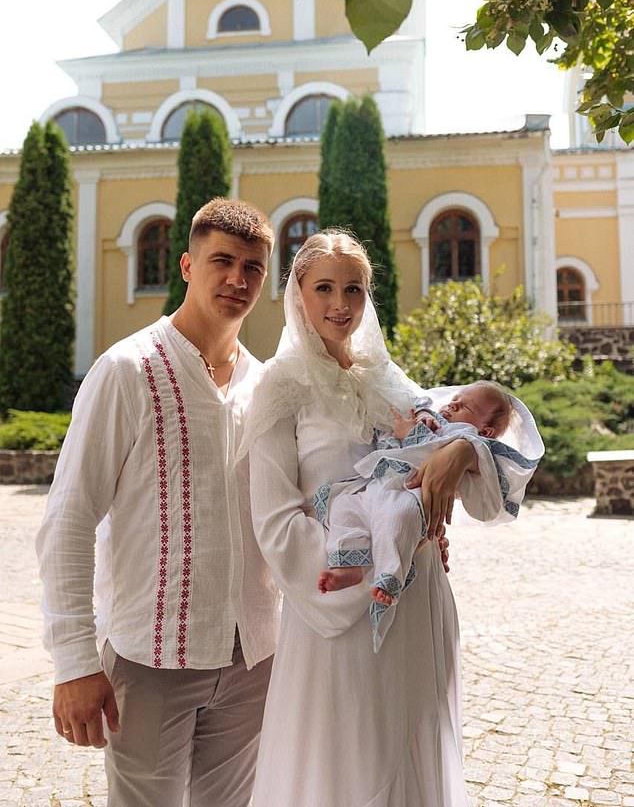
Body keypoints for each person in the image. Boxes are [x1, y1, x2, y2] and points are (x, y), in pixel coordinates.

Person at [243, 229, 544, 807]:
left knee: (412, 757)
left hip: (420, 603)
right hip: (338, 611)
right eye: (324, 288)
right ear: (297, 294)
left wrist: (466, 451)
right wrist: (368, 567)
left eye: (353, 289)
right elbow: (275, 523)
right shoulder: (280, 389)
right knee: (348, 767)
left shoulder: (389, 381)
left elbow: (494, 432)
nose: (340, 304)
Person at [36, 198, 280, 807]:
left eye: (252, 267)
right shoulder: (125, 370)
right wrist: (73, 661)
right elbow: (68, 519)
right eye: (221, 261)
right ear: (187, 266)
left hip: (253, 658)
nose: (237, 279)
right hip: (149, 658)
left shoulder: (267, 385)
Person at [316, 381, 542, 649]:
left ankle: (390, 577)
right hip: (377, 486)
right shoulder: (434, 419)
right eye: (455, 398)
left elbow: (429, 452)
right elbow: (416, 410)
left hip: (407, 495)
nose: (453, 404)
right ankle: (348, 564)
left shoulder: (465, 439)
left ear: (486, 430)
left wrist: (409, 433)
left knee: (398, 522)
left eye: (464, 406)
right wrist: (421, 418)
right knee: (343, 507)